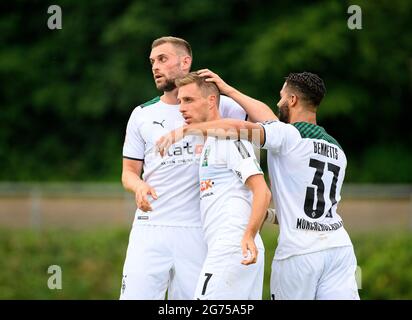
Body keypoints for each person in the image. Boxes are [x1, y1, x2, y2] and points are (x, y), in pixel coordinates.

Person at [157, 71, 360, 300]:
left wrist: (185, 130)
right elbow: (310, 210)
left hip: (299, 253)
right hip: (339, 248)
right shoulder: (338, 151)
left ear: (292, 100)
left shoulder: (288, 135)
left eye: (281, 97)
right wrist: (269, 215)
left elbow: (239, 128)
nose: (278, 102)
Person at [120, 36, 271, 300]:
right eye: (153, 61)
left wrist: (228, 89)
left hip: (198, 230)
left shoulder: (219, 104)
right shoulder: (142, 114)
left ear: (185, 61)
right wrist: (139, 185)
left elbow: (270, 125)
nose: (155, 66)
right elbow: (128, 173)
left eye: (163, 59)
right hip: (150, 225)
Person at [171, 72, 271, 299]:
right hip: (231, 246)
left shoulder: (227, 138)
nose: (181, 108)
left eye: (188, 100)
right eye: (179, 102)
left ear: (211, 101)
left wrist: (248, 235)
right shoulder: (208, 142)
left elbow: (262, 191)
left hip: (232, 245)